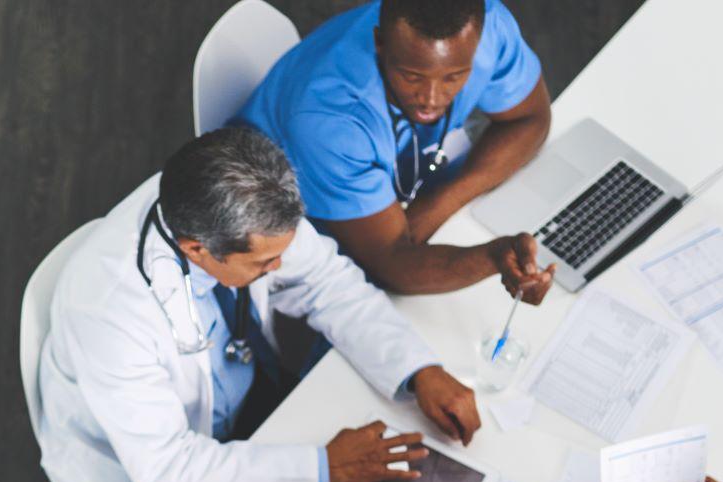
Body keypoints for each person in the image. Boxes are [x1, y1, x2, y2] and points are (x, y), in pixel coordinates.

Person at [37, 126, 481, 482]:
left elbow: (328, 281)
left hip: (250, 394)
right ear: (196, 248)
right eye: (263, 265)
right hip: (151, 467)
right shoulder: (110, 315)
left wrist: (419, 368)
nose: (280, 269)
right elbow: (167, 467)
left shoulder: (249, 203)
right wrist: (323, 467)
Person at [236, 0, 555, 300]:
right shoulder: (329, 119)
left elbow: (531, 119)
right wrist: (494, 257)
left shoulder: (489, 23)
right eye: (411, 76)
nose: (431, 99)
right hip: (294, 216)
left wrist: (436, 206)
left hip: (396, 187)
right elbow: (393, 266)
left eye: (454, 76)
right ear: (380, 42)